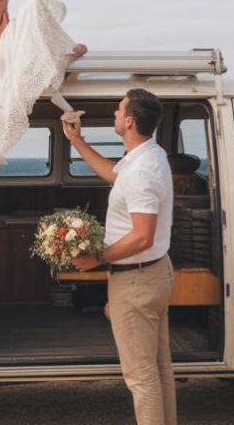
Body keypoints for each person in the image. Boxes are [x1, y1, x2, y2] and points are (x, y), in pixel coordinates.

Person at [63, 89, 176, 425]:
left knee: (141, 377)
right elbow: (115, 175)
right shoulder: (148, 156)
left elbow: (142, 236)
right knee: (158, 369)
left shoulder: (142, 172)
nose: (114, 113)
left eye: (118, 109)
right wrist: (77, 141)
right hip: (153, 273)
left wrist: (96, 258)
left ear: (128, 121)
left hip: (137, 281)